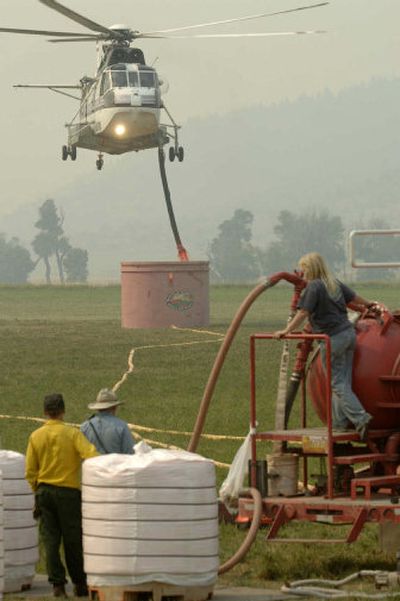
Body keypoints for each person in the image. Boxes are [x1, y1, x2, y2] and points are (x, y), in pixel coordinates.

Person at [273, 252, 379, 440]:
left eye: (304, 268)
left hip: (332, 339)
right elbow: (355, 297)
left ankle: (360, 417)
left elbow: (303, 312)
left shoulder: (314, 287)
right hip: (348, 335)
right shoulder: (333, 283)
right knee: (343, 380)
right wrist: (370, 304)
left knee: (336, 382)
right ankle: (338, 423)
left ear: (311, 268)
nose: (302, 272)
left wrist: (286, 330)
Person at [25, 393, 98, 598]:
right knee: (73, 539)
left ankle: (57, 585)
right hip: (68, 493)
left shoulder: (36, 436)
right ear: (63, 411)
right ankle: (79, 583)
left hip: (44, 492)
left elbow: (30, 471)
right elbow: (91, 455)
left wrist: (35, 493)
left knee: (50, 539)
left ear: (45, 412)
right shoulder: (72, 434)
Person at [80, 388, 135, 454]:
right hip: (115, 464)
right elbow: (129, 452)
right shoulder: (121, 426)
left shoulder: (85, 426)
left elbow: (80, 452)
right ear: (115, 407)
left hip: (91, 463)